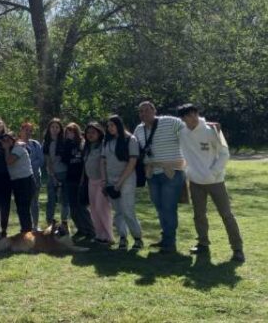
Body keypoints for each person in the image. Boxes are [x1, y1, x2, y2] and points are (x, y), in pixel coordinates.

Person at [177, 104, 244, 262]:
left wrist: (213, 173)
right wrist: (189, 172)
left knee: (227, 215)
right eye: (189, 115)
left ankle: (237, 249)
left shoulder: (212, 130)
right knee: (199, 215)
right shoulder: (182, 133)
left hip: (216, 181)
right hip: (195, 182)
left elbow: (225, 153)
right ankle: (203, 244)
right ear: (183, 119)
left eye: (195, 114)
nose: (193, 118)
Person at [134, 101, 186, 253]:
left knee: (169, 207)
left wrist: (206, 125)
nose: (144, 113)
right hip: (152, 173)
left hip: (171, 172)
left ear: (154, 110)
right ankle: (165, 238)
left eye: (147, 110)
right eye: (141, 111)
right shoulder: (139, 129)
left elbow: (191, 128)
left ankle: (170, 242)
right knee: (159, 207)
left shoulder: (170, 122)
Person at [102, 115, 144, 250]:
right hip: (110, 180)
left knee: (127, 210)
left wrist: (119, 183)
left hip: (127, 179)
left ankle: (137, 238)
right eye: (108, 126)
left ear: (119, 125)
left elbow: (132, 163)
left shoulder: (130, 139)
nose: (110, 128)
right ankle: (122, 238)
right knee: (118, 211)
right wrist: (104, 181)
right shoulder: (107, 141)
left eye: (112, 125)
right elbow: (103, 162)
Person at [62, 123, 95, 241]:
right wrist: (68, 144)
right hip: (70, 178)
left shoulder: (83, 143)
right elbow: (65, 160)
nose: (69, 134)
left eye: (71, 131)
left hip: (81, 179)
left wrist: (83, 178)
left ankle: (91, 230)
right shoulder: (67, 144)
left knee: (82, 207)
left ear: (76, 132)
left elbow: (85, 161)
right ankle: (81, 229)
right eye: (67, 132)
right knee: (73, 207)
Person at [1, 132, 35, 233]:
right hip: (18, 182)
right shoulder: (15, 147)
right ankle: (26, 230)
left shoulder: (18, 148)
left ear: (13, 140)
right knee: (21, 208)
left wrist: (6, 148)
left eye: (8, 140)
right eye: (4, 140)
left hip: (25, 181)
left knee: (23, 208)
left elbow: (9, 161)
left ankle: (27, 231)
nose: (6, 142)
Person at [84, 123, 112, 244]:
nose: (90, 135)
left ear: (99, 133)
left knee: (102, 208)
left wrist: (106, 181)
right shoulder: (87, 147)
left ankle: (108, 236)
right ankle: (99, 235)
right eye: (88, 132)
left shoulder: (104, 145)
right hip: (91, 181)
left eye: (93, 132)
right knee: (94, 209)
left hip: (102, 181)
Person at [44, 118, 69, 232]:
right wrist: (53, 176)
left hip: (64, 174)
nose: (54, 129)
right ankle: (50, 223)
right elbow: (48, 161)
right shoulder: (46, 142)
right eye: (52, 127)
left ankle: (64, 223)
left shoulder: (64, 141)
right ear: (49, 129)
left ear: (60, 129)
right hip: (52, 174)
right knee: (51, 200)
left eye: (57, 127)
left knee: (64, 200)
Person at [19, 122, 44, 230]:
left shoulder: (35, 144)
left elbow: (41, 160)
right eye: (26, 130)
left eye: (30, 131)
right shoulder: (16, 144)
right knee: (23, 203)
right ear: (21, 131)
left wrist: (28, 165)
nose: (28, 133)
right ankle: (25, 226)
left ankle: (35, 226)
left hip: (35, 177)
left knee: (34, 202)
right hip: (21, 178)